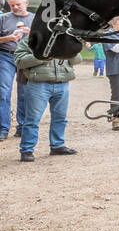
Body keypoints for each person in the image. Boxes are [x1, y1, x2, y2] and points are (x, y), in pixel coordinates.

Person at [14, 30, 78, 161]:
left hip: (62, 82)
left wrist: (67, 49)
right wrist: (45, 56)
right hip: (38, 84)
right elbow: (19, 61)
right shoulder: (31, 39)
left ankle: (58, 146)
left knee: (60, 118)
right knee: (32, 119)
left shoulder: (65, 39)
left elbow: (77, 59)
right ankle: (27, 150)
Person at [1, 0, 34, 141]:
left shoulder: (34, 18)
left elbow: (43, 39)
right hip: (6, 56)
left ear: (26, 3)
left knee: (25, 93)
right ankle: (3, 128)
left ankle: (22, 127)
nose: (14, 7)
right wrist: (9, 38)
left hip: (26, 58)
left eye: (18, 4)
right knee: (3, 92)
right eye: (12, 5)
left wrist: (31, 33)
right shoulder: (3, 18)